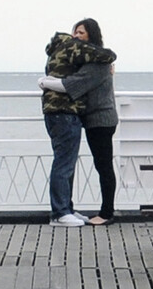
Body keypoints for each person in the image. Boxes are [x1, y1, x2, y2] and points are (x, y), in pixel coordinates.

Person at [38, 21, 115, 227]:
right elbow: (71, 84)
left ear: (91, 35)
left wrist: (45, 82)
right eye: (75, 32)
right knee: (66, 163)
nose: (76, 36)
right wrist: (45, 82)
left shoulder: (81, 58)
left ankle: (92, 211)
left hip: (98, 118)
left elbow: (74, 83)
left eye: (81, 32)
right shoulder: (74, 52)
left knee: (97, 165)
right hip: (68, 113)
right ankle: (61, 212)